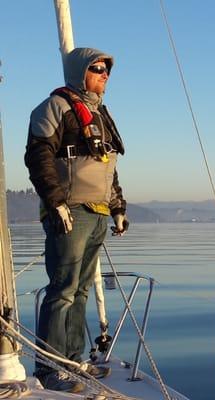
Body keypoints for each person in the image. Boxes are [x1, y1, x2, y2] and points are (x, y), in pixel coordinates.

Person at [25, 47, 128, 393]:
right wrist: (55, 203)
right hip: (69, 213)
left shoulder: (100, 113)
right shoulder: (54, 108)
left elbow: (107, 167)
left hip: (97, 213)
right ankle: (50, 367)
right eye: (97, 69)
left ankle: (72, 359)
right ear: (79, 70)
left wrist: (118, 208)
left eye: (107, 70)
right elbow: (37, 157)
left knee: (81, 290)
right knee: (63, 290)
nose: (104, 75)